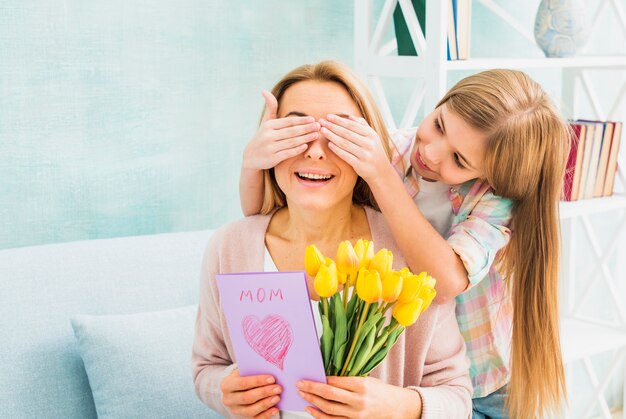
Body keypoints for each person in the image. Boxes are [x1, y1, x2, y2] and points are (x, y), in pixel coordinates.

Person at [239, 68, 570, 418]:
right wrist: (253, 161)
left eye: (459, 159)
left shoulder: (493, 201)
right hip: (405, 371)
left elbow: (446, 283)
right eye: (439, 125)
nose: (432, 152)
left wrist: (381, 175)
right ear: (441, 101)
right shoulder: (392, 148)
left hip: (479, 383)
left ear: (489, 174)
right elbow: (262, 216)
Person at [193, 60, 472, 419]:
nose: (314, 151)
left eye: (340, 135)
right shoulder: (229, 247)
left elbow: (458, 400)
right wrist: (225, 390)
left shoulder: (408, 256)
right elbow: (206, 367)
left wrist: (400, 406)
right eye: (295, 131)